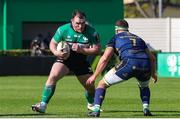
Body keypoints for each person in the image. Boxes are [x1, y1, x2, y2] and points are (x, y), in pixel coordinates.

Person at [31, 10, 101, 113]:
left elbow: (97, 50)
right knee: (53, 76)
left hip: (81, 61)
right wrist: (56, 52)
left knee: (90, 87)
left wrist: (82, 50)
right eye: (77, 23)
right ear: (72, 21)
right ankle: (43, 105)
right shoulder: (63, 29)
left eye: (83, 23)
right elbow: (52, 43)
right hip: (65, 59)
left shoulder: (92, 32)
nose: (80, 26)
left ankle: (90, 105)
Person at [86, 19, 157, 117]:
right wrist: (153, 74)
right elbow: (152, 59)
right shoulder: (138, 38)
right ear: (127, 29)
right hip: (145, 64)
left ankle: (96, 110)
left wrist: (94, 76)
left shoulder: (115, 37)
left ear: (116, 30)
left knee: (102, 84)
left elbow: (105, 58)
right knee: (144, 86)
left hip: (129, 63)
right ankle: (146, 108)